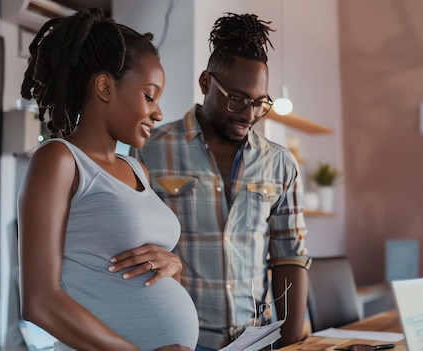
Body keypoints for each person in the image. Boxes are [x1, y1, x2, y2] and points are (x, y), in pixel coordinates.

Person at [17, 8, 198, 351]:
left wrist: (174, 267)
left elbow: (136, 275)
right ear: (104, 87)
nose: (158, 113)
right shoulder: (58, 160)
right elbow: (40, 301)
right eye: (149, 95)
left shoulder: (135, 168)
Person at [130, 12, 310, 350]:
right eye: (238, 99)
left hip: (257, 341)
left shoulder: (280, 163)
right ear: (205, 83)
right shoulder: (149, 152)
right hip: (180, 339)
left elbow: (290, 257)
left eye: (260, 104)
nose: (249, 114)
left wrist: (291, 344)